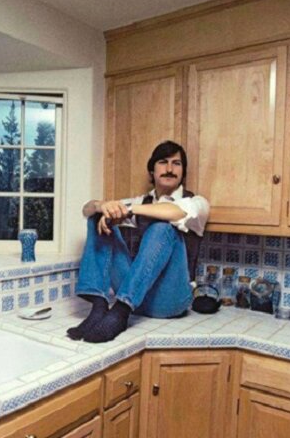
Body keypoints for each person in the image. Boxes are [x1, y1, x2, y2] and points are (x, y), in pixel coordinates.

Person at [68, 140, 209, 343]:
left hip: (172, 300)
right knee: (98, 217)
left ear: (183, 172)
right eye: (163, 162)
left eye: (176, 163)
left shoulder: (197, 203)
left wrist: (129, 210)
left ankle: (120, 313)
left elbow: (175, 212)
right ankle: (98, 306)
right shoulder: (142, 201)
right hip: (138, 297)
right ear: (152, 171)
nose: (170, 169)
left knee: (163, 227)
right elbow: (86, 209)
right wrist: (103, 206)